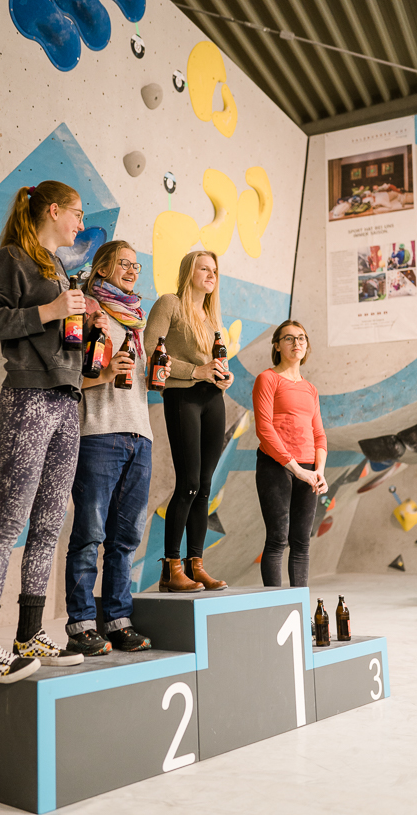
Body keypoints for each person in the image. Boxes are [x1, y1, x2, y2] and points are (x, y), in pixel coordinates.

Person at [0, 180, 101, 682]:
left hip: (68, 397)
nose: (79, 224)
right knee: (11, 522)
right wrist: (49, 310)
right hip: (28, 397)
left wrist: (85, 323)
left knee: (49, 523)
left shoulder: (59, 266)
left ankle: (29, 633)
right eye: (76, 214)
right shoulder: (12, 259)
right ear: (52, 210)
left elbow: (57, 330)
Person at [65, 241, 170, 654]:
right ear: (103, 267)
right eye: (124, 263)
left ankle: (117, 620)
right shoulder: (87, 308)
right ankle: (80, 624)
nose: (132, 270)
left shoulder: (137, 320)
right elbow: (68, 373)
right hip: (98, 433)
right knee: (90, 535)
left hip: (138, 435)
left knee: (125, 538)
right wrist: (106, 372)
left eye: (136, 265)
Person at [145, 251, 233, 592]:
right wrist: (196, 371)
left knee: (205, 487)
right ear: (188, 272)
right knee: (189, 483)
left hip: (213, 400)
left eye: (214, 270)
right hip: (182, 398)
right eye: (203, 269)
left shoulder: (211, 317)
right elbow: (152, 350)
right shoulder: (170, 303)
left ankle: (196, 565)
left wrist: (223, 378)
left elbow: (215, 363)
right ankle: (171, 568)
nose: (211, 275)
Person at [252, 319, 328, 588]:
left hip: (309, 470)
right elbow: (264, 429)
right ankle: (275, 611)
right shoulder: (268, 379)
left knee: (302, 542)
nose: (297, 343)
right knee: (277, 539)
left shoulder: (310, 389)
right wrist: (296, 468)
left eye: (302, 338)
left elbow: (319, 434)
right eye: (289, 338)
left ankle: (299, 613)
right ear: (277, 345)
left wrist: (319, 471)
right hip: (277, 466)